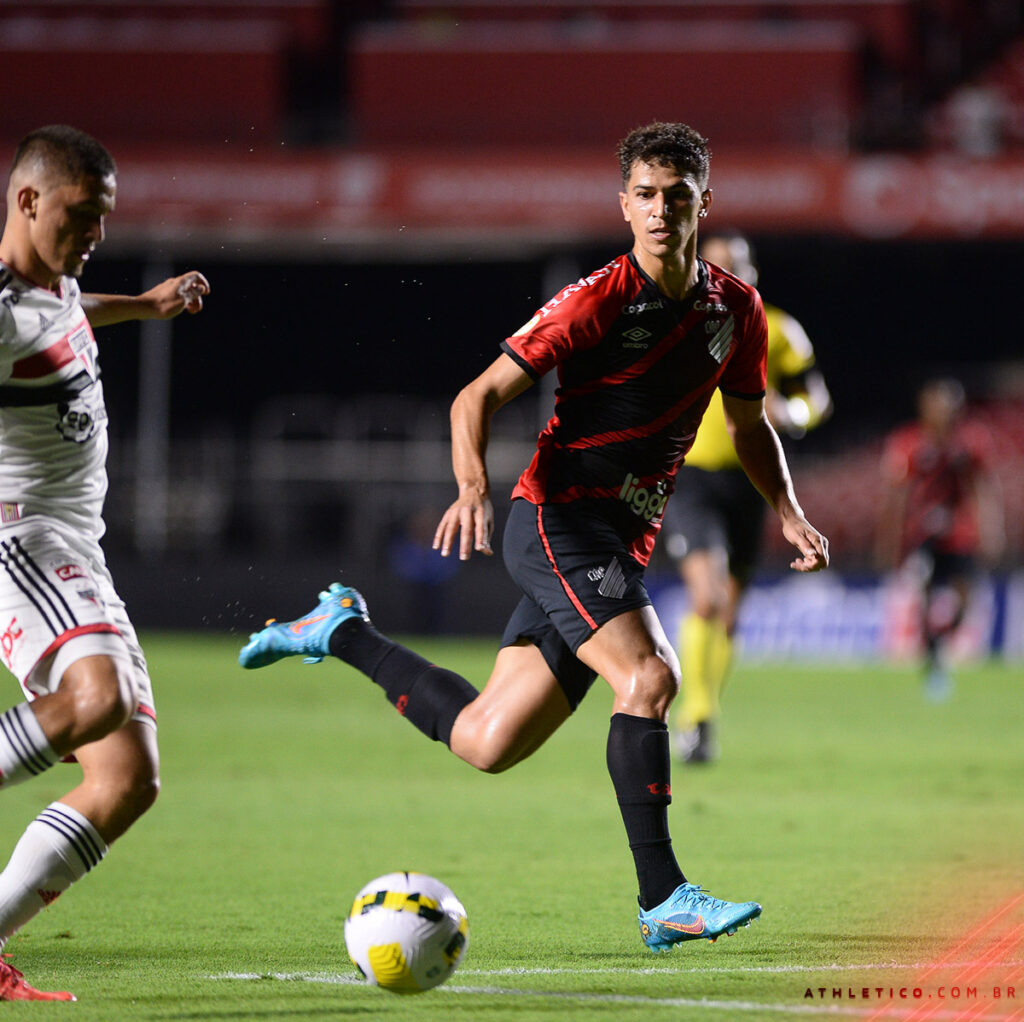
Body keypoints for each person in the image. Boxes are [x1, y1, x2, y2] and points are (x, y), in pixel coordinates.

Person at [239, 122, 828, 953]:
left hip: (620, 541)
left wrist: (787, 510)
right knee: (651, 677)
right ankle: (663, 899)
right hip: (557, 521)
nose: (662, 211)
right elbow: (474, 397)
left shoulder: (736, 310)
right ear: (624, 204)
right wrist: (473, 487)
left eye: (678, 196)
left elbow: (749, 424)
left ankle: (342, 630)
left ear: (705, 202)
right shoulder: (599, 299)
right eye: (647, 196)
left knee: (487, 741)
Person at [0, 125, 209, 1000]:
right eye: (81, 216)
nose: (93, 234)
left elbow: (67, 316)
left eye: (104, 219)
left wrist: (146, 307)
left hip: (77, 547)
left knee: (126, 780)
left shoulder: (57, 287)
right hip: (23, 538)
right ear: (27, 201)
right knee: (98, 698)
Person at [660, 232, 832, 763]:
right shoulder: (674, 324)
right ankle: (697, 718)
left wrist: (793, 415)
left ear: (752, 272)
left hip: (752, 482)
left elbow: (815, 399)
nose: (726, 274)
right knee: (707, 599)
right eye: (714, 266)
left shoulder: (778, 329)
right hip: (689, 477)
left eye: (736, 266)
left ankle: (702, 714)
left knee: (729, 615)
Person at [875, 378, 1003, 700]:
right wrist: (891, 542)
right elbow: (898, 498)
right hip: (922, 532)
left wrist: (990, 530)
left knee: (966, 600)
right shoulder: (909, 443)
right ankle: (933, 659)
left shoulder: (970, 444)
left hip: (959, 531)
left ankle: (942, 641)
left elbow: (981, 490)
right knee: (926, 595)